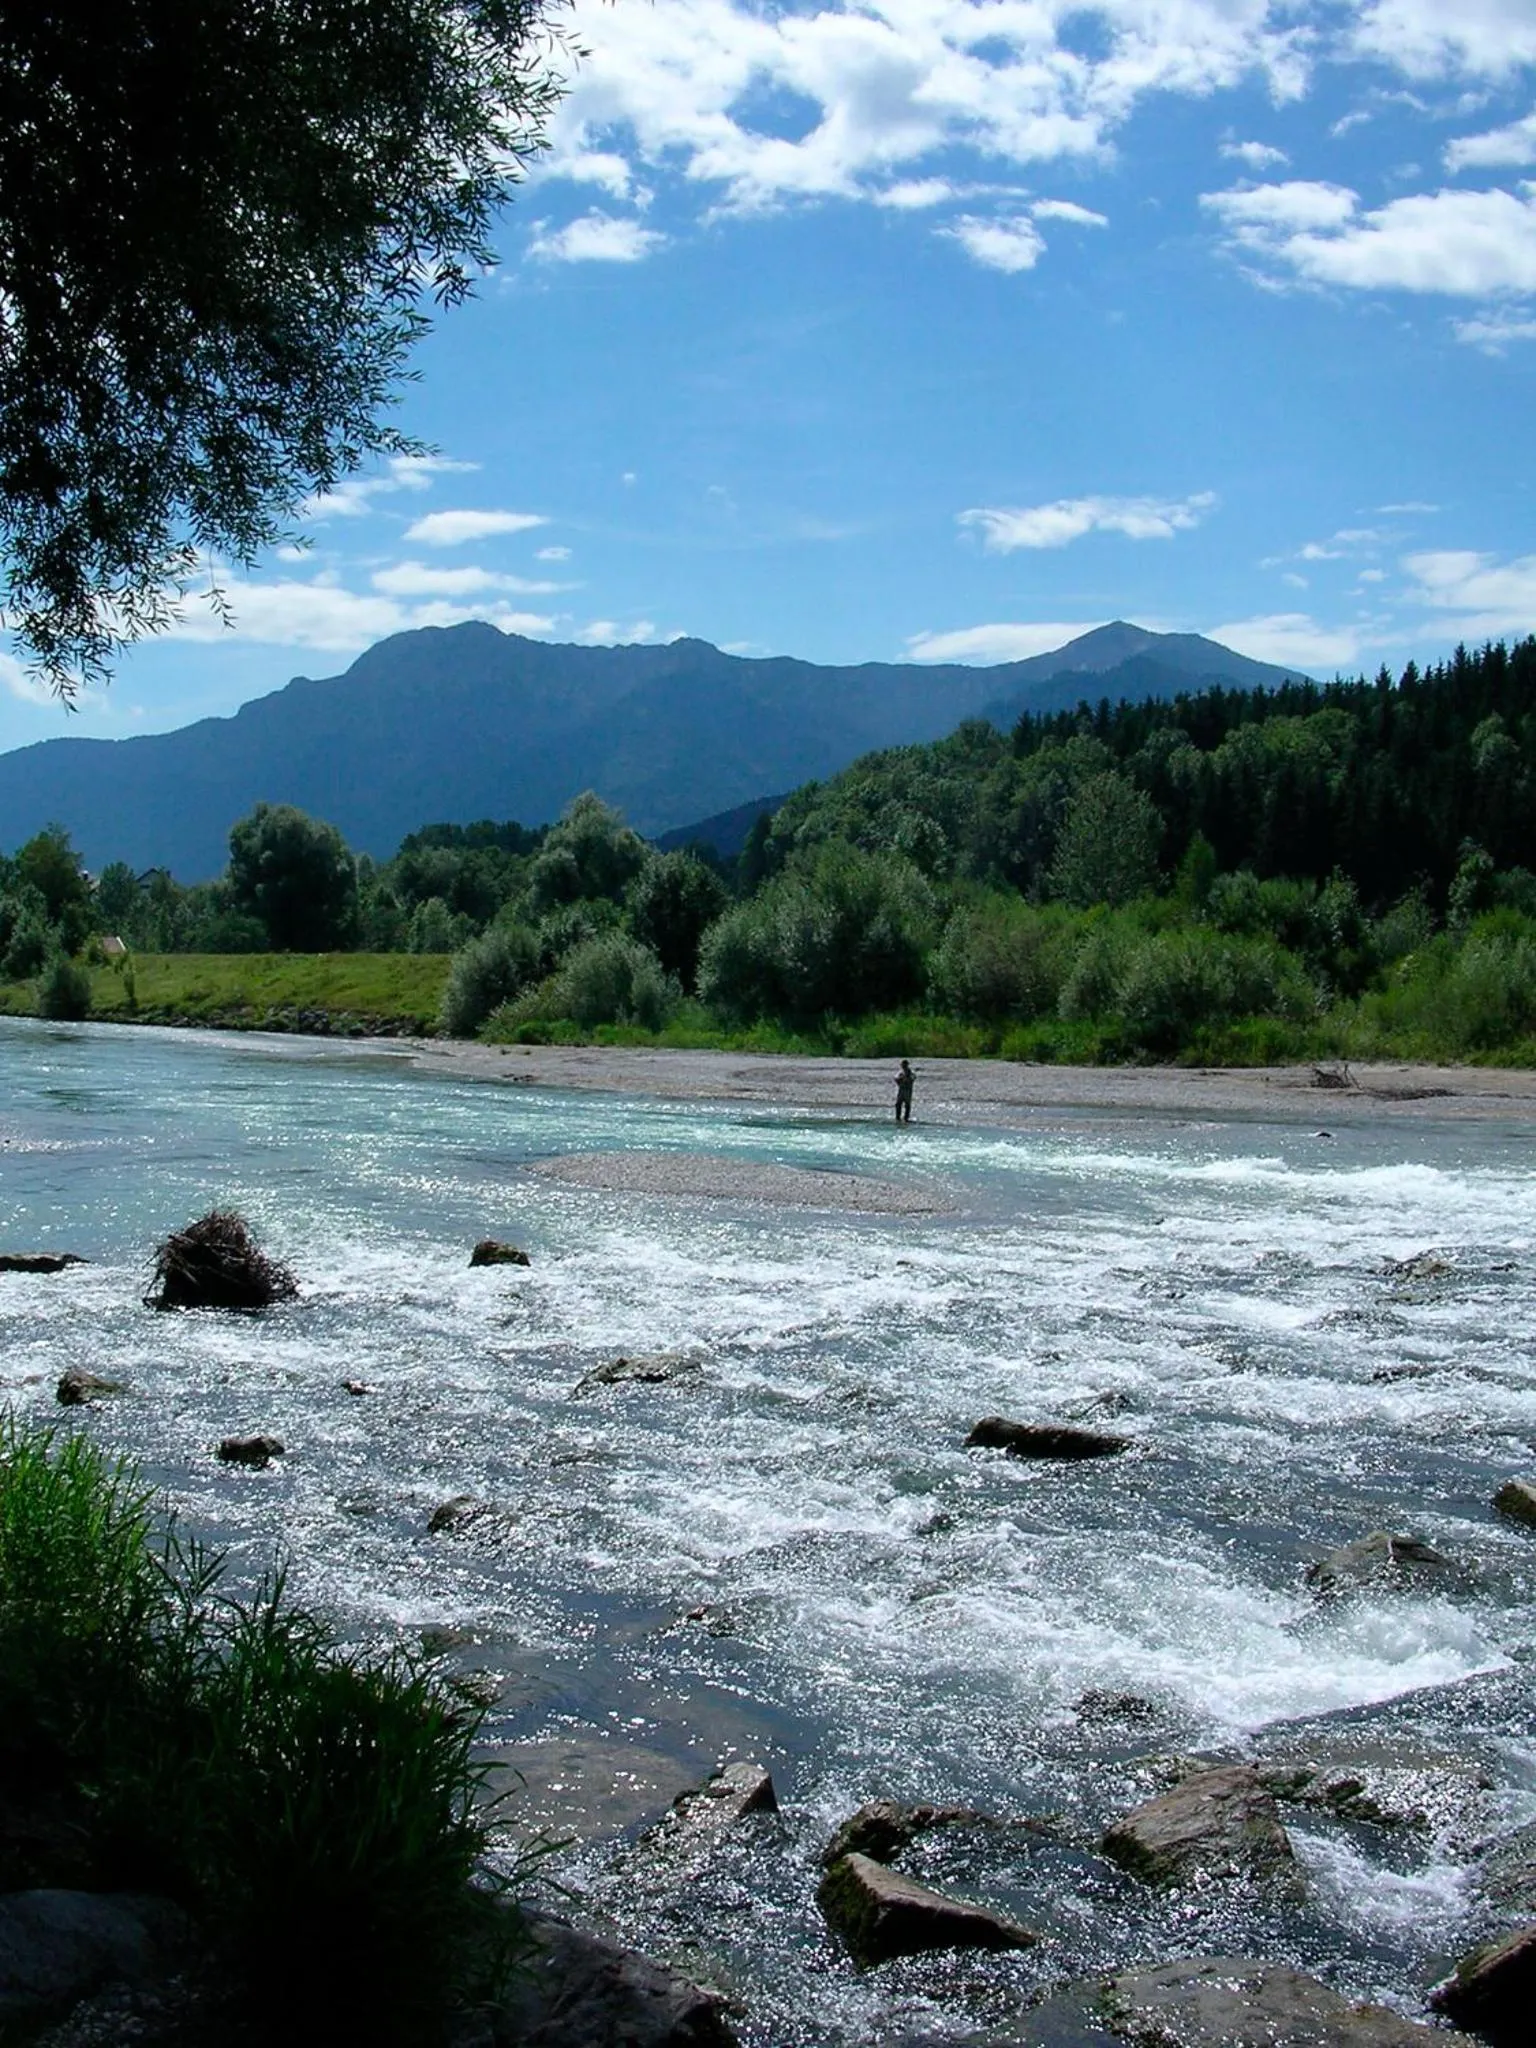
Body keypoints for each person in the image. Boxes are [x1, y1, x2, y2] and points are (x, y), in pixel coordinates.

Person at [894, 1058, 916, 1123]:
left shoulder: (911, 1073)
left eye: (904, 1065)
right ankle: (897, 1118)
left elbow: (913, 1078)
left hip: (908, 1091)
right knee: (898, 1104)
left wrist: (907, 1078)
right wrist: (901, 1079)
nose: (903, 1066)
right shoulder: (900, 1073)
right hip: (901, 1090)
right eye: (902, 1065)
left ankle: (906, 1118)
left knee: (907, 1105)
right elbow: (895, 1079)